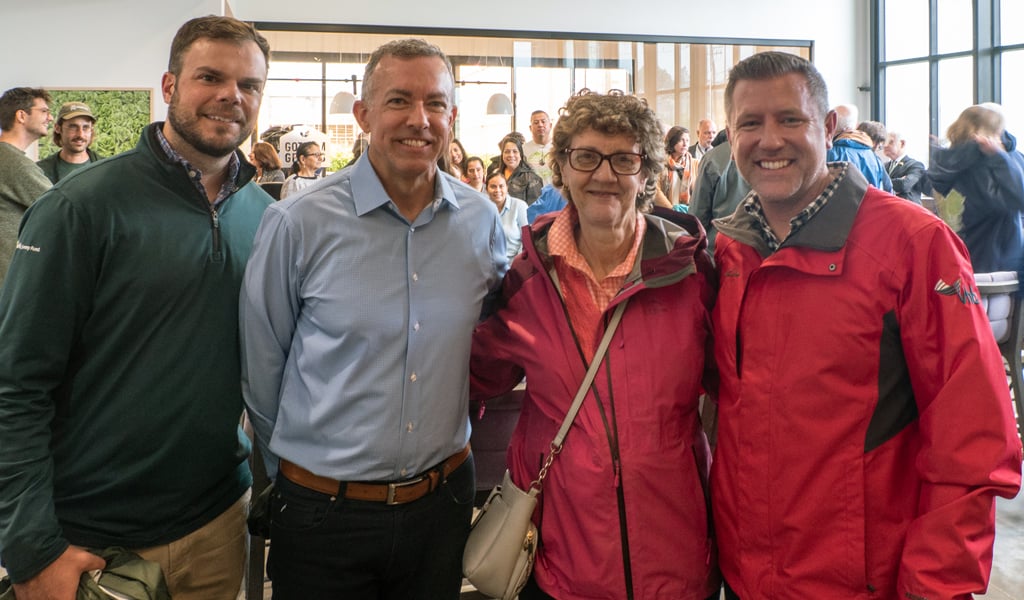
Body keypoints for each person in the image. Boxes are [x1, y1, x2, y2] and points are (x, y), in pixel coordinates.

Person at [711, 51, 1022, 599]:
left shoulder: (912, 245)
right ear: (730, 137)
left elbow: (973, 437)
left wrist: (935, 585)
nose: (770, 140)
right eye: (750, 124)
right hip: (747, 576)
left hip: (862, 582)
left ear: (828, 127)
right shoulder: (731, 251)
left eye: (790, 119)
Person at [0, 15, 273, 600]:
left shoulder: (264, 215)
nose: (231, 96)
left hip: (217, 523)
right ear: (170, 87)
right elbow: (15, 385)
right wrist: (30, 549)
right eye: (210, 77)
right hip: (92, 540)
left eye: (249, 85)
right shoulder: (82, 207)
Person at [239, 38, 507, 600]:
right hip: (322, 516)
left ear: (453, 117)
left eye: (435, 104)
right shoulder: (297, 223)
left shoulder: (481, 222)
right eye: (398, 101)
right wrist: (299, 473)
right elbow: (263, 371)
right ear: (362, 115)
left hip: (442, 507)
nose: (419, 120)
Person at [471, 89, 719, 600]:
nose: (603, 175)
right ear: (562, 167)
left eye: (623, 159)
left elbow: (738, 393)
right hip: (562, 558)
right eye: (586, 157)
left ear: (647, 171)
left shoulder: (692, 273)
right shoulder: (528, 278)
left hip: (675, 555)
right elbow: (476, 375)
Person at [928, 103, 1024, 274]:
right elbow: (1019, 199)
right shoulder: (990, 166)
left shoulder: (946, 163)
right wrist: (1001, 158)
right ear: (991, 133)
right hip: (997, 264)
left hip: (957, 258)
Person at [0, 87, 52, 283]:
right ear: (21, 115)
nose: (50, 117)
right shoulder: (14, 163)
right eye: (44, 111)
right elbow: (62, 208)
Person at [689, 133, 749, 253]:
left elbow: (698, 214)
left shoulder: (712, 159)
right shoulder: (768, 155)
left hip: (718, 249)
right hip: (757, 251)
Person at [827, 103, 893, 192]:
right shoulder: (874, 158)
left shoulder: (826, 153)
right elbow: (888, 190)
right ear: (855, 126)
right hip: (869, 205)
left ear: (831, 123)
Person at [36, 101, 103, 184]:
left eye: (85, 127)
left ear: (91, 130)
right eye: (73, 127)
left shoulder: (105, 167)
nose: (80, 134)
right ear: (58, 128)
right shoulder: (40, 171)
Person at [484, 170, 528, 259]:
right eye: (493, 186)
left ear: (507, 188)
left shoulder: (519, 206)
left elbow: (527, 240)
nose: (497, 190)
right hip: (488, 263)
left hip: (514, 263)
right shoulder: (483, 208)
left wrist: (517, 263)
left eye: (501, 186)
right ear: (486, 189)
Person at [494, 133, 543, 204]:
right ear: (502, 155)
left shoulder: (532, 178)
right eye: (507, 152)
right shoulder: (496, 175)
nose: (511, 155)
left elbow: (535, 209)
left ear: (521, 155)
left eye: (515, 151)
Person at [882, 129, 927, 204]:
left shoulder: (915, 165)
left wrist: (882, 184)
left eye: (891, 142)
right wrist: (897, 181)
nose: (885, 146)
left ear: (902, 143)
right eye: (884, 142)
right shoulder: (884, 166)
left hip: (907, 211)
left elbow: (904, 185)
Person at [659, 125, 696, 208]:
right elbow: (656, 191)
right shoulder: (661, 163)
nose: (685, 144)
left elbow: (699, 192)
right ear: (672, 141)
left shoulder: (694, 164)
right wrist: (671, 209)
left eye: (687, 140)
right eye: (681, 140)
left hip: (687, 213)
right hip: (665, 212)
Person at [523, 109, 554, 184]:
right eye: (536, 122)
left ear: (550, 125)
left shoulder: (559, 147)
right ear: (530, 128)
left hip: (556, 193)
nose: (540, 125)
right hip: (533, 194)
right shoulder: (523, 150)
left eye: (543, 122)